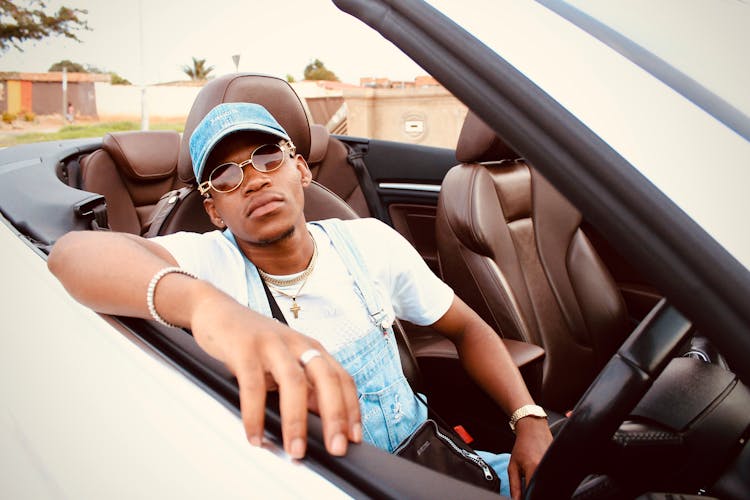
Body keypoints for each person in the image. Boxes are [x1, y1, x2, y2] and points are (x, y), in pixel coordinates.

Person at [48, 102, 552, 498]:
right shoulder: (210, 262)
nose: (254, 178)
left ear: (301, 170)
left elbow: (467, 328)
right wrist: (208, 308)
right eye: (225, 175)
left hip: (434, 464)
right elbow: (73, 256)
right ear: (215, 209)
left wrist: (527, 418)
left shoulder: (369, 242)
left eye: (268, 156)